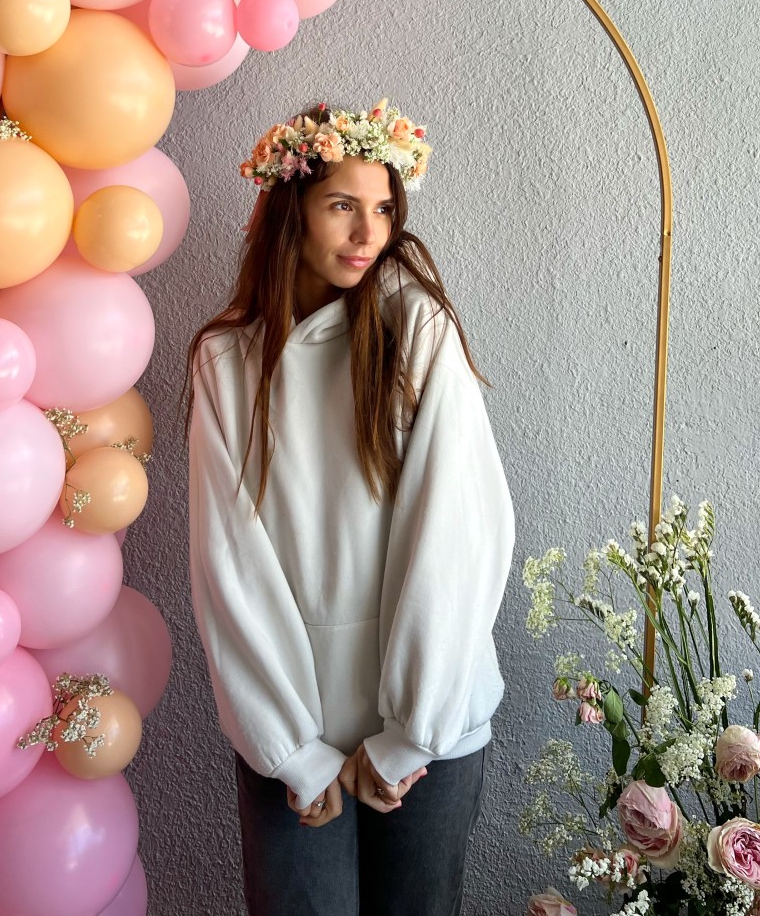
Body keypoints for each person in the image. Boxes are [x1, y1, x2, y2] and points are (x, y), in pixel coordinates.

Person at [184, 97, 516, 916]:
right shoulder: (227, 361)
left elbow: (461, 537)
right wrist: (294, 751)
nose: (368, 233)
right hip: (291, 728)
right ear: (288, 207)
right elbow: (228, 564)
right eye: (342, 206)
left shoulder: (418, 332)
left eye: (382, 209)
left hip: (429, 726)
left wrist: (410, 734)